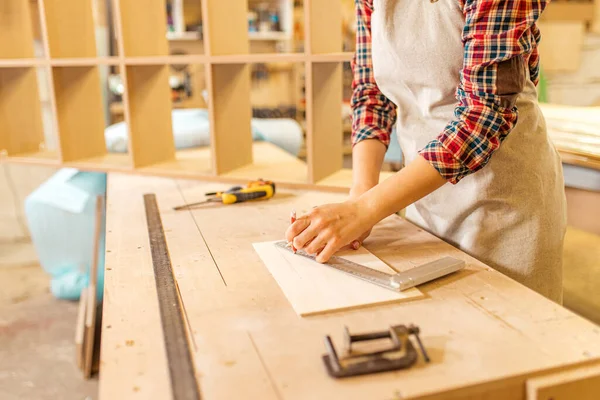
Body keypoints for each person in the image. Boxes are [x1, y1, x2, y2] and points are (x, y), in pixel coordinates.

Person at [286, 0, 566, 303]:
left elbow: (482, 117)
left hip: (503, 207)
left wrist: (366, 209)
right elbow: (372, 95)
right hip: (423, 196)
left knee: (509, 335)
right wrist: (360, 198)